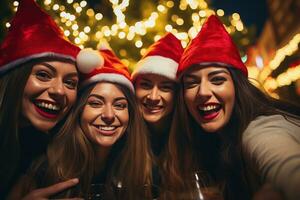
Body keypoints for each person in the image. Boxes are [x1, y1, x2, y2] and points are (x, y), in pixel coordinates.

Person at [164, 15, 300, 200]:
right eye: (191, 83)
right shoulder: (211, 141)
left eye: (218, 79)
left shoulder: (260, 129)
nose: (203, 92)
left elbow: (289, 172)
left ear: (237, 86)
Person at [9, 47, 153, 200]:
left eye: (119, 105)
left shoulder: (140, 167)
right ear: (78, 112)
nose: (109, 115)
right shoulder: (40, 169)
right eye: (96, 103)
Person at [0, 0, 80, 198]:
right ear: (14, 79)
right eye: (43, 75)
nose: (59, 91)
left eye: (70, 83)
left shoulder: (38, 149)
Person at [132, 33, 183, 194]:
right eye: (146, 85)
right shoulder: (122, 136)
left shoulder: (192, 136)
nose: (153, 97)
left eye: (165, 87)